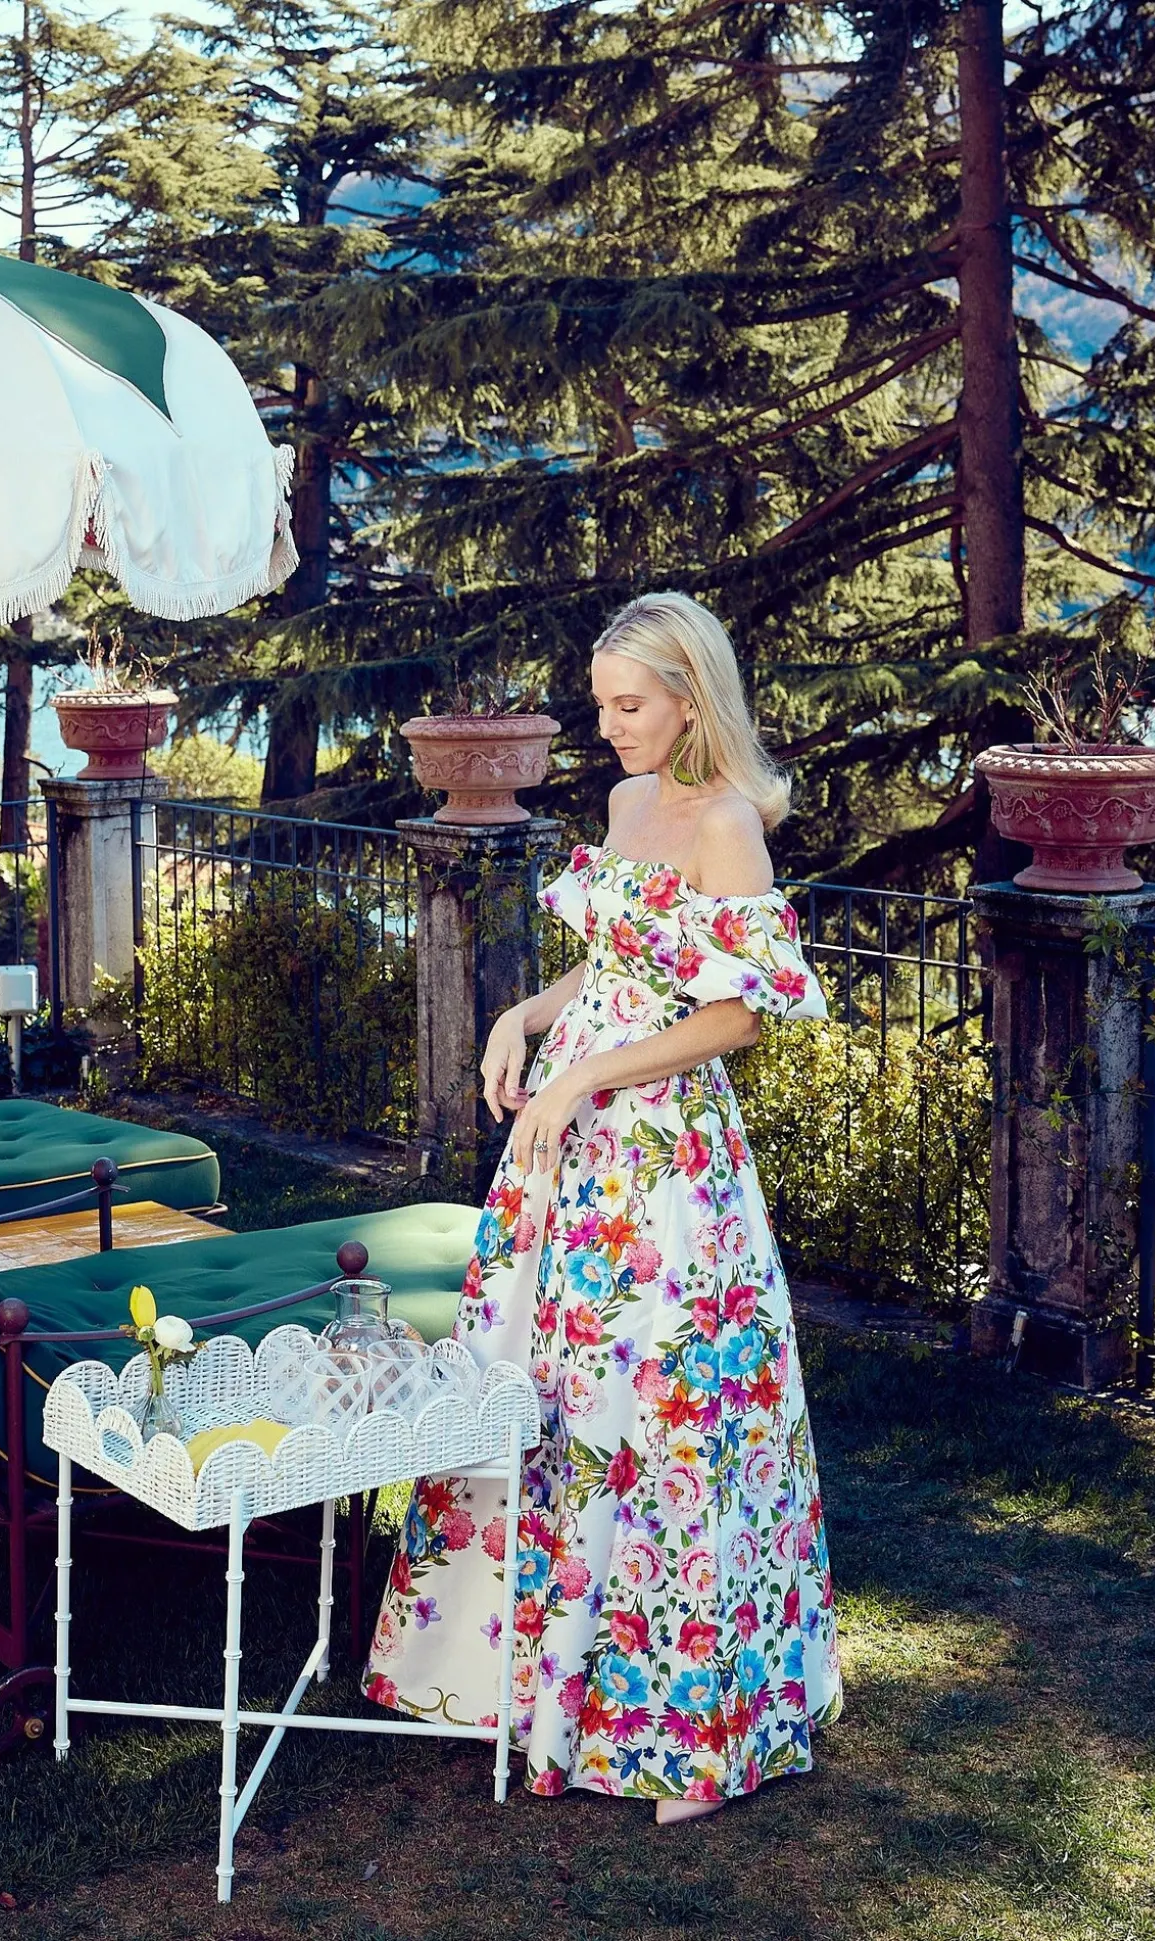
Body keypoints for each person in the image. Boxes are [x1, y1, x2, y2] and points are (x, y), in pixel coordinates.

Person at [363, 591, 842, 1818]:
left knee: (663, 1409)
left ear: (692, 697)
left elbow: (732, 1015)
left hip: (664, 1168)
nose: (610, 727)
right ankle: (526, 1686)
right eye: (601, 705)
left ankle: (675, 1722)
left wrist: (580, 1072)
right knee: (552, 1392)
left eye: (628, 705)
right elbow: (623, 962)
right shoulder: (629, 806)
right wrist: (529, 1015)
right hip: (570, 1158)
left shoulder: (728, 824)